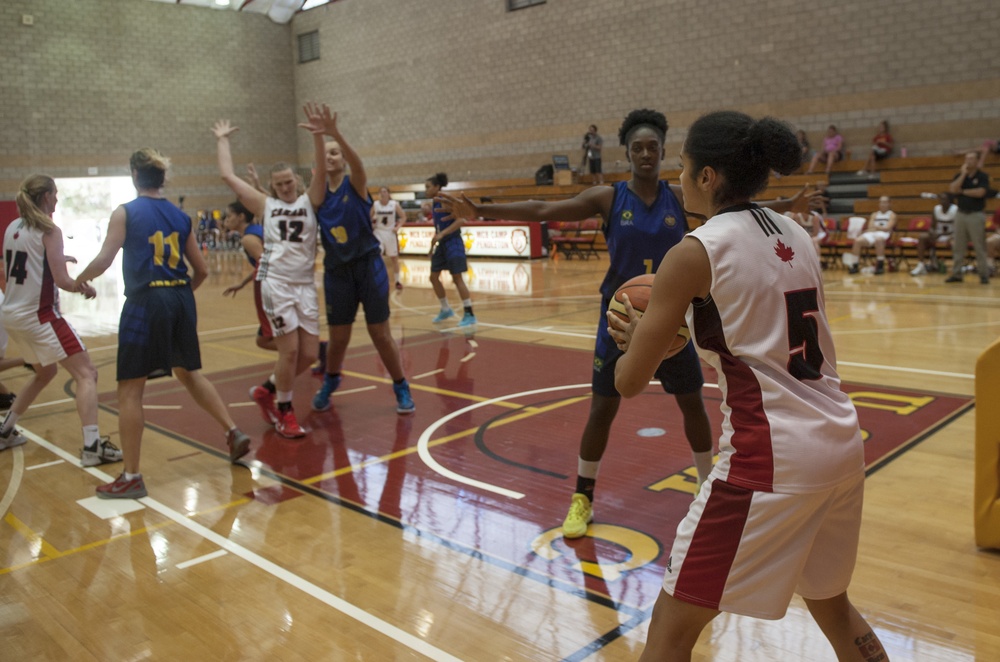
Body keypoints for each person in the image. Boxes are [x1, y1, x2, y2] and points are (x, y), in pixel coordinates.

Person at [438, 109, 816, 540]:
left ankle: (705, 479)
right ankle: (582, 496)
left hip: (673, 323)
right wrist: (483, 210)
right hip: (619, 320)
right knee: (603, 408)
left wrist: (788, 206)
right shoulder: (609, 197)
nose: (646, 154)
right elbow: (546, 207)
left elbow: (738, 207)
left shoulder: (683, 194)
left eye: (653, 147)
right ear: (628, 152)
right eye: (637, 148)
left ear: (661, 150)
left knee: (693, 404)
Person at [609, 110, 887, 662]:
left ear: (708, 177)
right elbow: (759, 331)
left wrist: (642, 337)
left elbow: (629, 381)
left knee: (669, 628)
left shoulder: (694, 251)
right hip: (839, 445)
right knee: (833, 607)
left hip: (769, 460)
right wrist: (683, 333)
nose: (677, 179)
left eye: (683, 168)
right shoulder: (796, 234)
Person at [75, 148, 252, 499]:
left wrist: (76, 279)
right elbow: (200, 270)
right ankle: (232, 431)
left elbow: (105, 259)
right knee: (188, 371)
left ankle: (132, 476)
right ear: (162, 179)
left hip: (146, 301)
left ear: (134, 176)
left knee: (130, 388)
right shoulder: (179, 214)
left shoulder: (125, 212)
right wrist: (179, 298)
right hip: (180, 298)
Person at [212, 116, 325, 437]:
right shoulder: (267, 205)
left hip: (305, 285)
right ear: (273, 187)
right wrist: (223, 139)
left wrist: (319, 135)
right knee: (289, 352)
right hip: (276, 285)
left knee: (310, 355)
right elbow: (227, 175)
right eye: (279, 184)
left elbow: (319, 166)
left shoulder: (310, 201)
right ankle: (285, 412)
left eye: (289, 181)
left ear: (296, 180)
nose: (285, 187)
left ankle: (265, 390)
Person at [0, 174, 120, 466]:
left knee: (45, 373)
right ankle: (92, 447)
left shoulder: (13, 227)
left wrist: (56, 262)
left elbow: (17, 266)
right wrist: (84, 284)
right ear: (45, 197)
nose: (57, 198)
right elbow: (64, 282)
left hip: (12, 315)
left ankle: (4, 431)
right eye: (55, 194)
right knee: (86, 374)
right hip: (39, 316)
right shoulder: (49, 230)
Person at [303, 103, 415, 415]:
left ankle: (401, 386)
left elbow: (359, 164)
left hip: (368, 266)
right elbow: (317, 173)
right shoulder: (319, 193)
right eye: (326, 153)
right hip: (337, 272)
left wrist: (335, 133)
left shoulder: (356, 183)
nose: (330, 156)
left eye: (335, 152)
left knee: (380, 334)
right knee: (338, 339)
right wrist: (319, 141)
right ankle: (331, 380)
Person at [221, 200, 276, 351]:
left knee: (265, 339)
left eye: (230, 215)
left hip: (273, 289)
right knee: (270, 337)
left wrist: (262, 291)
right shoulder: (256, 230)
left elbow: (267, 266)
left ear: (241, 217)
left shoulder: (248, 239)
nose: (226, 219)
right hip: (279, 284)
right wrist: (243, 283)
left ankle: (310, 351)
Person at [426, 172, 476, 327]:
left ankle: (469, 313)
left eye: (428, 187)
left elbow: (462, 220)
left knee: (457, 278)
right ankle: (445, 308)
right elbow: (440, 228)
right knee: (433, 277)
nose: (425, 190)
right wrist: (432, 246)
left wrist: (442, 234)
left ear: (436, 187)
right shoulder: (435, 202)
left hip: (453, 242)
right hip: (442, 244)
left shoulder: (445, 201)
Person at [945, 151, 991, 284]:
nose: (968, 161)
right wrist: (963, 174)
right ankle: (957, 274)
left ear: (977, 161)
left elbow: (981, 192)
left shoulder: (982, 176)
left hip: (975, 215)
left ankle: (983, 274)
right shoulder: (959, 176)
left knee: (979, 246)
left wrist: (963, 191)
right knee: (958, 246)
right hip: (961, 214)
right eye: (966, 159)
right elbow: (953, 190)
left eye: (971, 159)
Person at [847, 195, 897, 275]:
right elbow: (870, 227)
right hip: (872, 233)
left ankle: (880, 265)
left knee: (878, 239)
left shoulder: (892, 215)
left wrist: (876, 227)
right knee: (857, 240)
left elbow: (887, 228)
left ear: (889, 204)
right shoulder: (874, 214)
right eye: (880, 202)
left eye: (884, 202)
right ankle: (854, 265)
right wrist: (879, 227)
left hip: (884, 235)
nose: (882, 204)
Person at [910, 192, 956, 275]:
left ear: (950, 201)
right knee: (922, 237)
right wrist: (932, 232)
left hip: (952, 235)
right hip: (938, 235)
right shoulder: (936, 209)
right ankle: (921, 265)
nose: (942, 201)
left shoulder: (955, 210)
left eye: (944, 199)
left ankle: (957, 267)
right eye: (941, 199)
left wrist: (942, 234)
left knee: (955, 242)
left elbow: (958, 228)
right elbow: (932, 226)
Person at [371, 186, 406, 291]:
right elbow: (368, 217)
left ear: (388, 194)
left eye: (385, 191)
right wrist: (371, 225)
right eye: (381, 192)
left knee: (394, 258)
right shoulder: (375, 204)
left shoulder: (394, 204)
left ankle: (397, 281)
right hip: (379, 232)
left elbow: (403, 217)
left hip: (390, 232)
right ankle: (377, 279)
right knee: (377, 255)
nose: (383, 193)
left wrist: (397, 227)